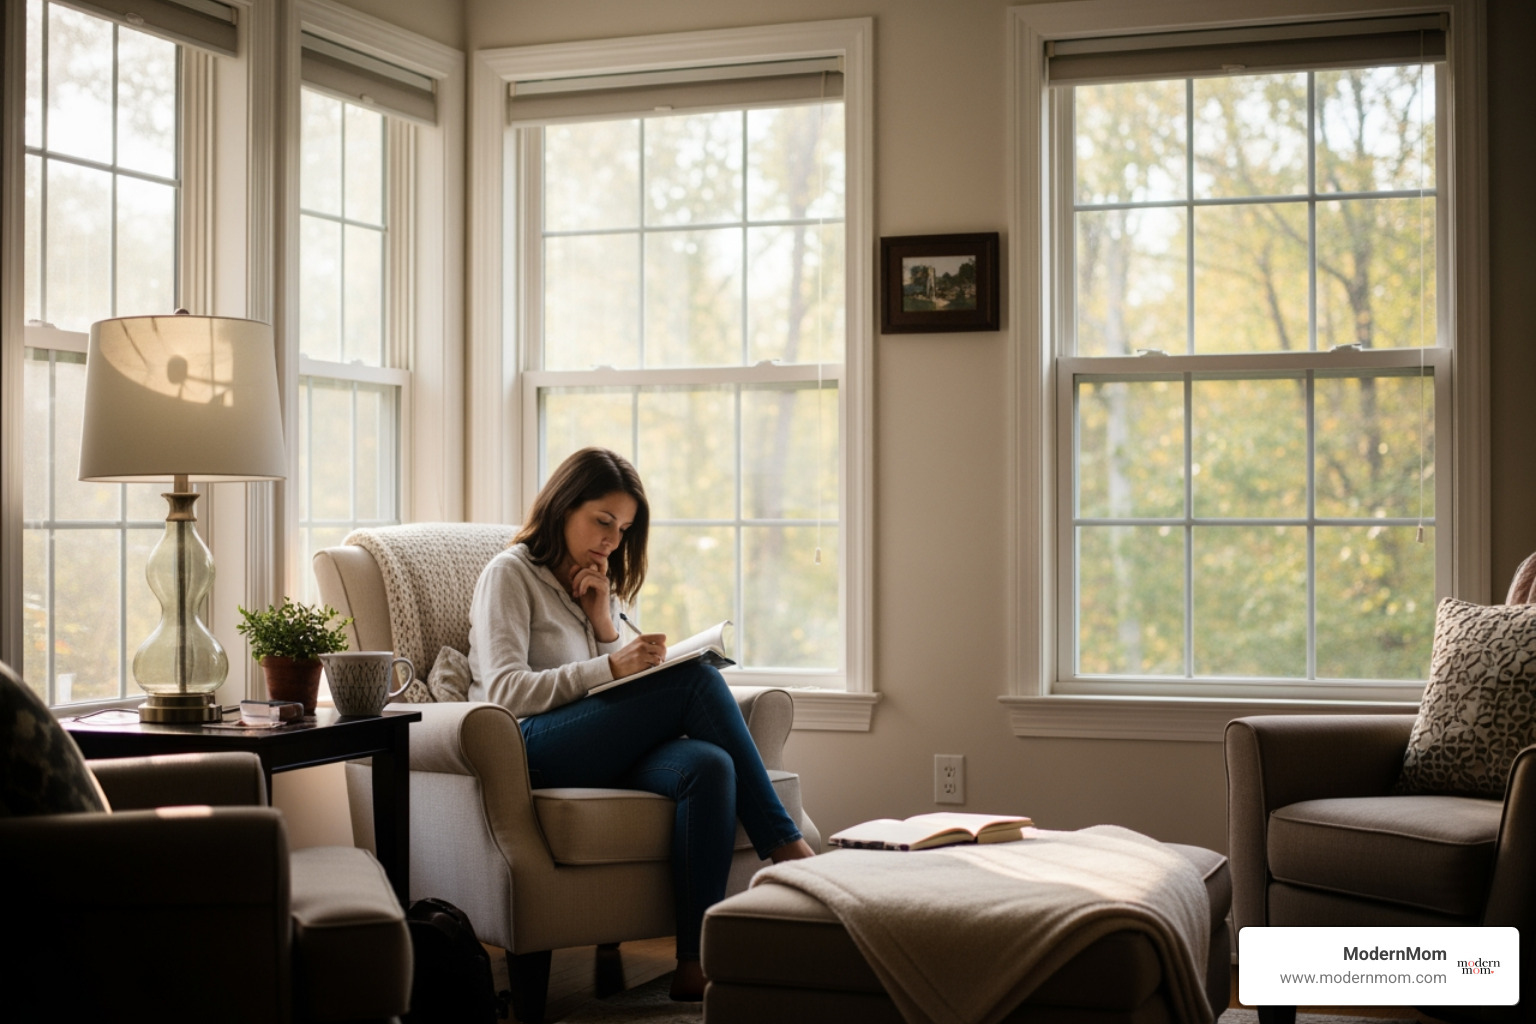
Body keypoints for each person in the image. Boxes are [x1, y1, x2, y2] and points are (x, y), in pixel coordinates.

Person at [466, 446, 816, 1001]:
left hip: (597, 746)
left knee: (710, 765)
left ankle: (692, 964)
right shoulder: (509, 575)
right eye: (601, 521)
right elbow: (507, 693)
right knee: (696, 682)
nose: (610, 539)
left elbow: (616, 693)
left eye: (622, 529)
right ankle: (790, 853)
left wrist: (604, 621)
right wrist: (609, 662)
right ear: (562, 506)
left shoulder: (598, 582)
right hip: (527, 745)